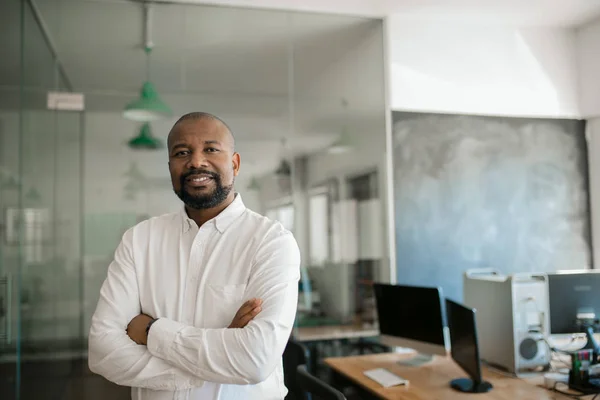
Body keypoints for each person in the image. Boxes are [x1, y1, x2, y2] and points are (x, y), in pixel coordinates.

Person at [88, 112, 301, 400]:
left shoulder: (272, 242)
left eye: (211, 149)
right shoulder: (139, 240)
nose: (196, 161)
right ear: (170, 167)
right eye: (182, 152)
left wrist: (151, 332)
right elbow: (102, 350)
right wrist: (214, 360)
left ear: (235, 164)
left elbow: (256, 358)